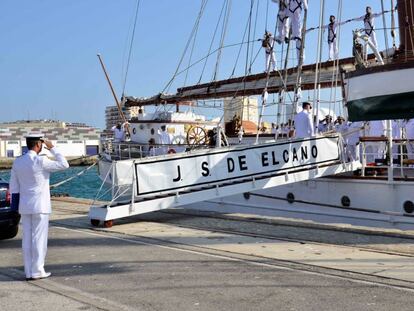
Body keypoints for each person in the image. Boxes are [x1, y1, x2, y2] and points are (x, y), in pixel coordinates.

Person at [9, 134, 69, 281]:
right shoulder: (41, 160)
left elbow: (14, 187)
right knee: (39, 239)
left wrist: (14, 207)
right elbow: (64, 164)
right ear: (38, 145)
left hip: (24, 206)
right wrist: (53, 148)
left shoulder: (18, 162)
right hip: (40, 207)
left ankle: (29, 271)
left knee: (27, 239)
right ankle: (38, 270)